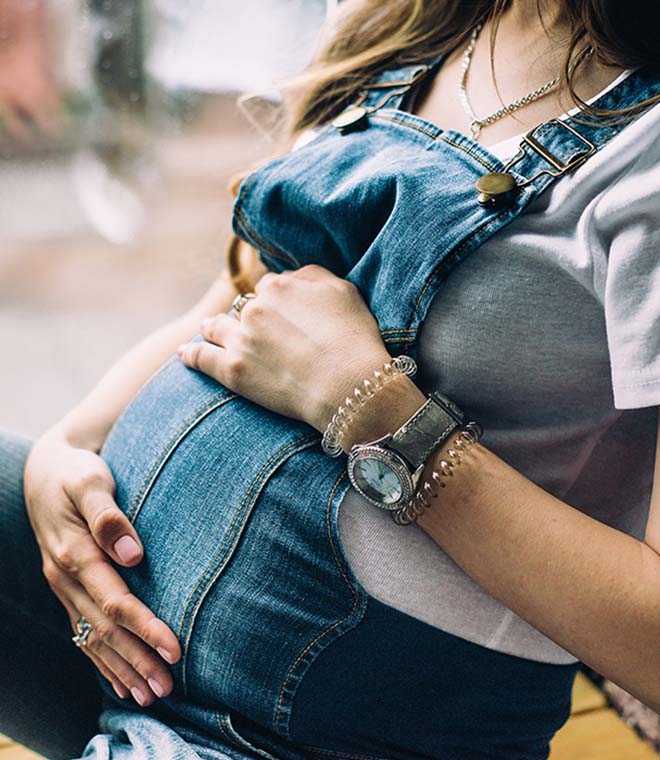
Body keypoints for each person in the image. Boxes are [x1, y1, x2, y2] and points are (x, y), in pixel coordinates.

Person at [2, 0, 660, 758]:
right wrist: (68, 445)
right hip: (123, 625)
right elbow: (240, 301)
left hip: (314, 734)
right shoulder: (413, 24)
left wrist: (377, 411)